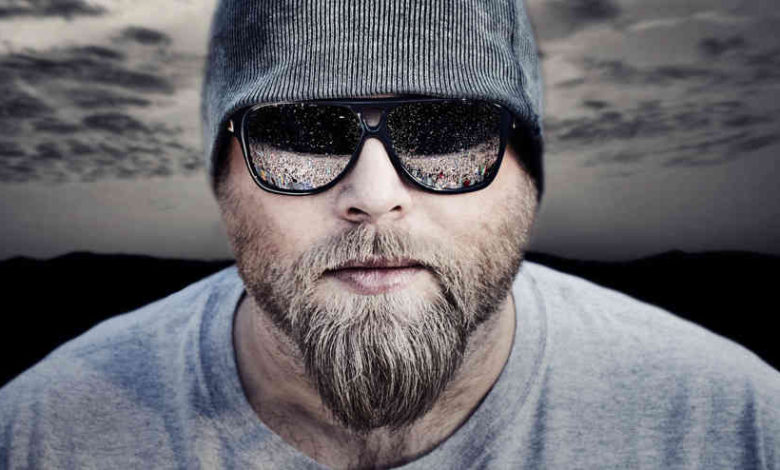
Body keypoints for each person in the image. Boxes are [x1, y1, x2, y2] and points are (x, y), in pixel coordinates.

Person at [1, 0, 778, 468]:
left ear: (531, 175)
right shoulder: (41, 433)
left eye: (447, 131)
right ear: (221, 179)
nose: (374, 198)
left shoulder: (733, 425)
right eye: (301, 134)